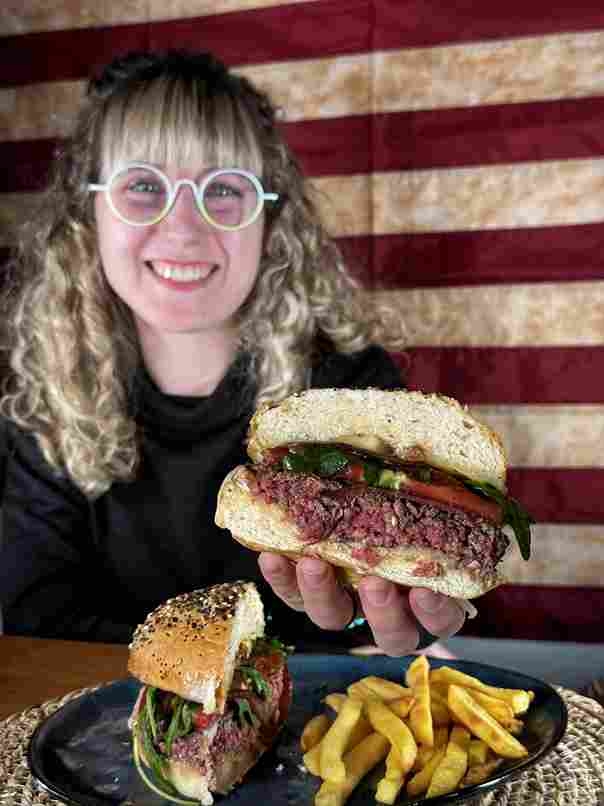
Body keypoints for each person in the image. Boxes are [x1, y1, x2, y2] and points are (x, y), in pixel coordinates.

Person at [0, 50, 466, 655]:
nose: (185, 228)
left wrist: (371, 617)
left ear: (271, 221)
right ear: (87, 213)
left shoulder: (354, 387)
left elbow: (398, 609)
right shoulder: (47, 392)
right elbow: (35, 617)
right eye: (143, 186)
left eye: (224, 189)